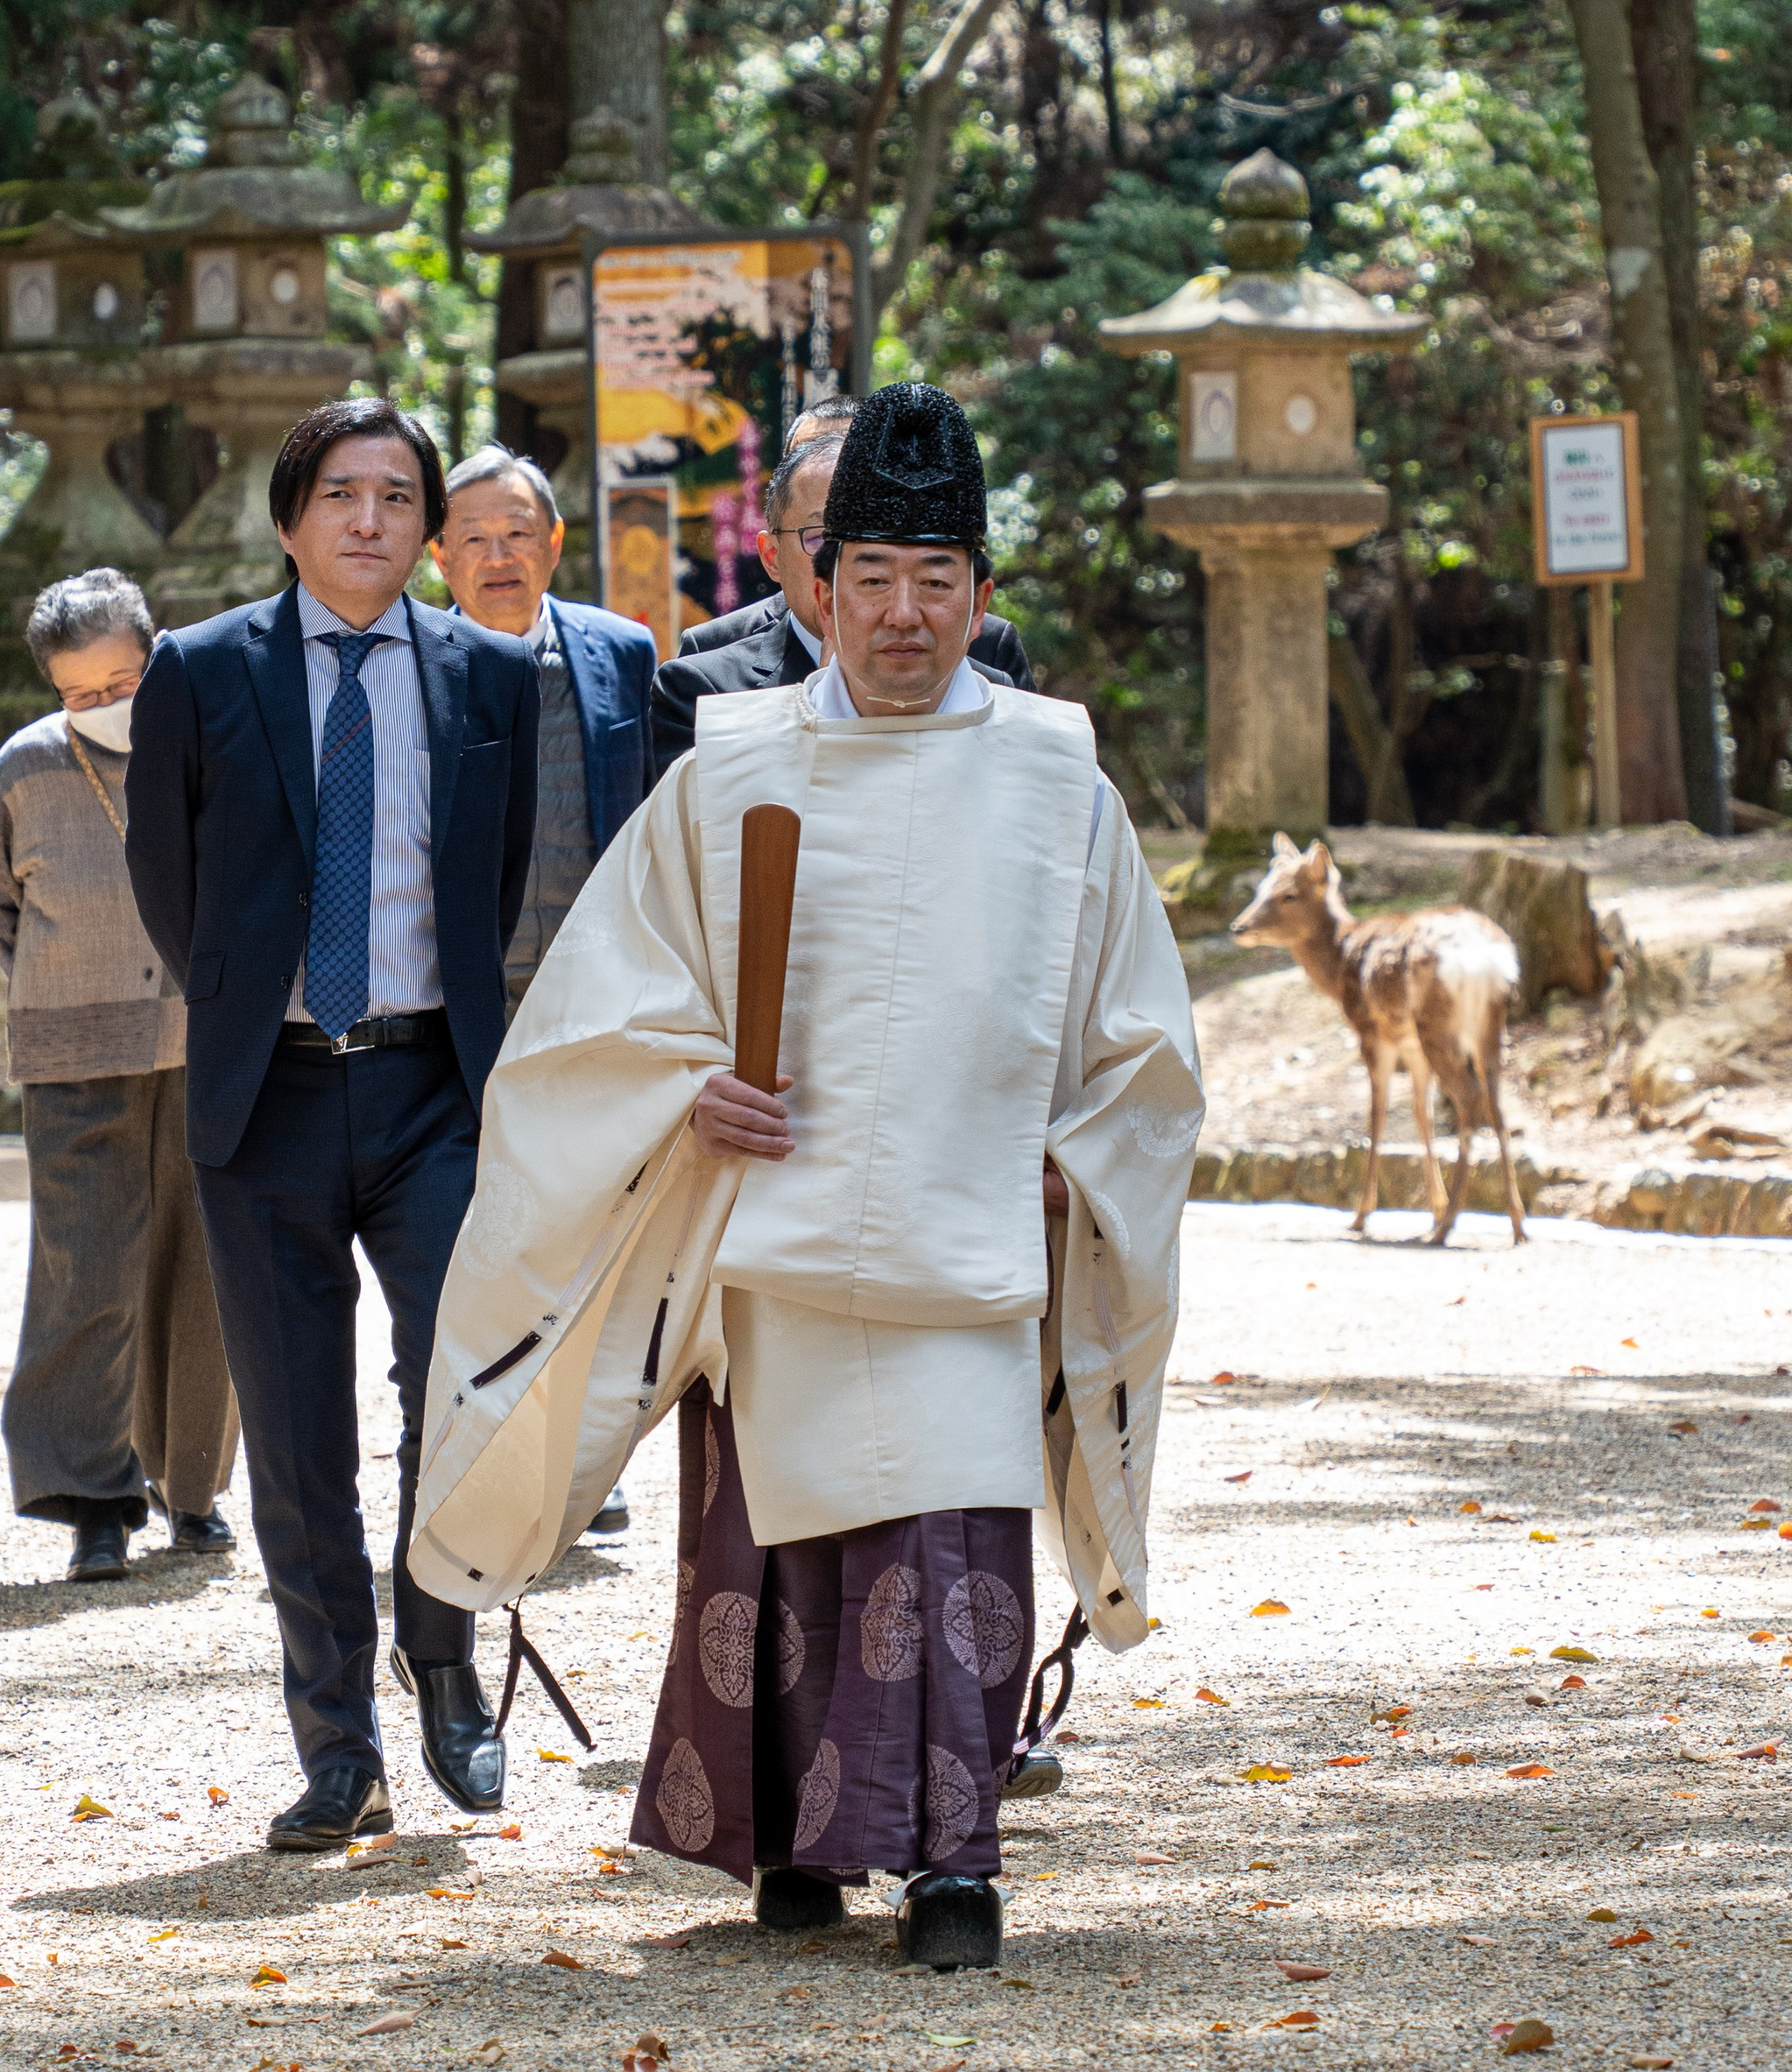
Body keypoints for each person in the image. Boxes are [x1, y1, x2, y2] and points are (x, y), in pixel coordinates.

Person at [411, 380, 1201, 1970]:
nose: (904, 615)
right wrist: (685, 1094)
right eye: (874, 581)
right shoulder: (734, 763)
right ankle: (790, 1848)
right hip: (769, 1235)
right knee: (780, 1545)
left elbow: (1144, 1042)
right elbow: (601, 1007)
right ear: (816, 587)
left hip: (974, 1236)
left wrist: (1079, 1159)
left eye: (938, 582)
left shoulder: (1062, 780)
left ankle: (956, 1861)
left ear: (983, 597)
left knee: (952, 1542)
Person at [125, 399, 539, 1853]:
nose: (371, 520)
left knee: (465, 1394)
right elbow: (169, 886)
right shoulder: (199, 668)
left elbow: (490, 891)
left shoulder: (490, 673)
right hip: (270, 1093)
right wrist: (254, 1009)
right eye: (343, 493)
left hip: (435, 1091)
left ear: (429, 523)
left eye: (399, 496)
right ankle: (336, 1745)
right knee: (297, 1438)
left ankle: (443, 1665)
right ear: (293, 513)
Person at [0, 568, 239, 1586]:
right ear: (53, 690)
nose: (108, 705)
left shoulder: (208, 741)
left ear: (156, 654)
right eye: (83, 692)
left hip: (207, 1046)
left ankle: (194, 1489)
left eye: (124, 680)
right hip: (72, 1056)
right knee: (88, 1271)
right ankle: (93, 1498)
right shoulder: (23, 768)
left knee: (203, 1269)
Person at [430, 440, 660, 1540]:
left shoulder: (621, 651)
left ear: (556, 542)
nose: (498, 554)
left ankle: (583, 1456)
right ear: (438, 555)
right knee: (475, 1229)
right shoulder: (418, 662)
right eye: (472, 534)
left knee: (591, 1227)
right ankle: (468, 1446)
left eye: (518, 531)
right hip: (454, 1000)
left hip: (594, 989)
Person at [651, 394, 1035, 767]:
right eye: (823, 538)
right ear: (774, 557)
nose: (902, 615)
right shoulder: (707, 683)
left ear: (978, 606)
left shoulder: (993, 665)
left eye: (933, 581)